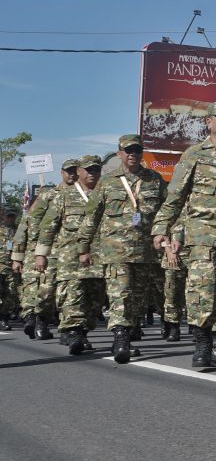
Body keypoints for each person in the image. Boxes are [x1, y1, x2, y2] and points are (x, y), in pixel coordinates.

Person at [152, 101, 216, 370]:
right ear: (209, 121)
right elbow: (175, 195)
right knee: (202, 291)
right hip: (202, 238)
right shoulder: (194, 155)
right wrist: (161, 228)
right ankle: (202, 347)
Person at [78, 136, 168, 363]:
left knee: (138, 299)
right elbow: (92, 216)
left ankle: (126, 335)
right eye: (128, 150)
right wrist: (83, 247)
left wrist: (169, 237)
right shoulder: (107, 182)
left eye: (137, 150)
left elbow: (168, 212)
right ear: (119, 153)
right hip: (115, 251)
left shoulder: (154, 180)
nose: (133, 154)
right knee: (120, 294)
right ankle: (120, 339)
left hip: (145, 252)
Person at [36, 155, 104, 354]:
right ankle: (73, 332)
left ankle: (83, 331)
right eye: (88, 170)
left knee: (95, 298)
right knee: (73, 296)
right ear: (79, 172)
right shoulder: (63, 196)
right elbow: (48, 226)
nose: (92, 173)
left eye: (96, 170)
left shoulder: (106, 193)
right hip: (69, 256)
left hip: (99, 256)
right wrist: (41, 254)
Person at [11, 160, 75, 340]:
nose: (72, 175)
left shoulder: (88, 194)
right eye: (69, 171)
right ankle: (38, 319)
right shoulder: (49, 195)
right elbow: (27, 222)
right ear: (62, 173)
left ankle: (66, 329)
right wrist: (20, 255)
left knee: (69, 290)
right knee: (44, 289)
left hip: (74, 250)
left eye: (75, 171)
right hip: (49, 250)